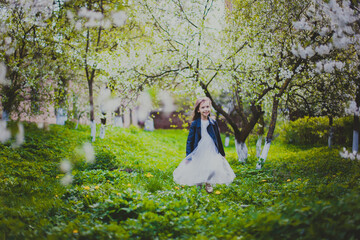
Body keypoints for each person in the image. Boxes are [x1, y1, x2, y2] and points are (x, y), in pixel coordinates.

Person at [173, 97, 235, 193]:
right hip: (199, 149)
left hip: (211, 148)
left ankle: (208, 182)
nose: (206, 109)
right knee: (199, 167)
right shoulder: (195, 123)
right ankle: (199, 184)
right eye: (203, 107)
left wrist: (222, 153)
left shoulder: (213, 123)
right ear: (198, 110)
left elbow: (218, 139)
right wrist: (188, 156)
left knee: (213, 167)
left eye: (207, 107)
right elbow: (190, 140)